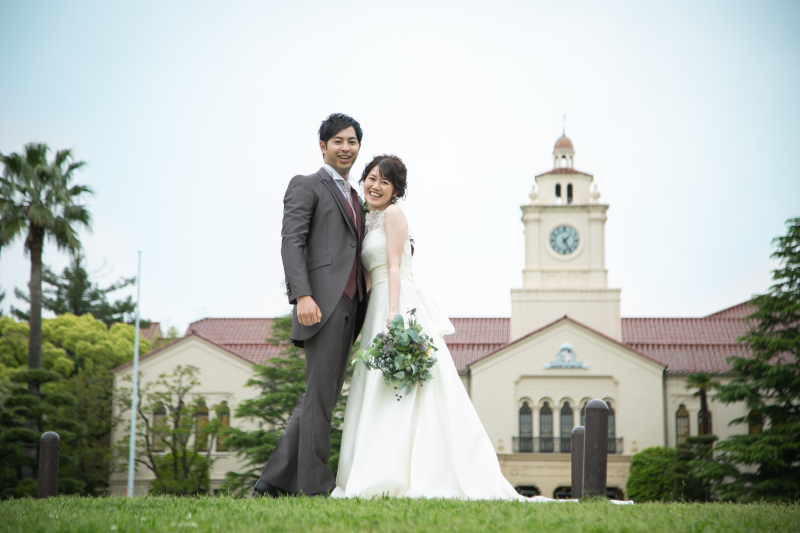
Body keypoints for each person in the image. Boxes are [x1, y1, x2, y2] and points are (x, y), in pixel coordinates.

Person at [332, 155, 541, 500]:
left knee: (413, 390)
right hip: (378, 306)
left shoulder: (395, 215)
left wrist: (394, 313)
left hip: (398, 303)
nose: (376, 186)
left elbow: (395, 267)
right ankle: (374, 466)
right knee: (378, 386)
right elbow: (368, 277)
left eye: (386, 182)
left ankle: (415, 471)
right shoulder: (368, 220)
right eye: (372, 178)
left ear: (396, 190)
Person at [254, 113, 368, 497]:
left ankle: (272, 482)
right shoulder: (307, 185)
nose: (346, 148)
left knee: (319, 397)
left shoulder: (357, 197)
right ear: (323, 146)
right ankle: (315, 486)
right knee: (319, 397)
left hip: (353, 307)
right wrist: (302, 295)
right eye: (338, 141)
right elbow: (292, 242)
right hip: (321, 303)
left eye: (352, 142)